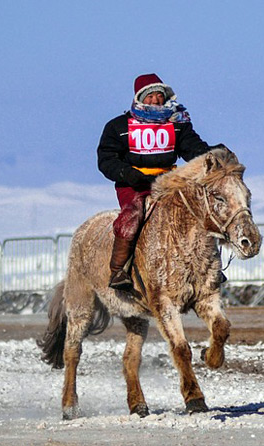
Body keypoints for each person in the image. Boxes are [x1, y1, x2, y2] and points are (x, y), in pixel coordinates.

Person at [97, 73, 216, 290]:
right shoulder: (118, 127)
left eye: (159, 95)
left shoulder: (177, 124)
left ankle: (207, 267)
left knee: (199, 211)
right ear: (139, 98)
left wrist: (214, 154)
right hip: (134, 184)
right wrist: (127, 173)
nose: (155, 100)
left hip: (169, 181)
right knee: (132, 217)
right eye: (149, 96)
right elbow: (106, 159)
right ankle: (118, 270)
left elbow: (193, 149)